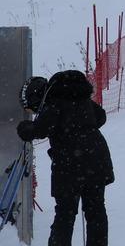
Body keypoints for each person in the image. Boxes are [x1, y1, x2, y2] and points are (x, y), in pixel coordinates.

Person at [17, 71, 114, 246]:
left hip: (70, 165)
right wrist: (82, 127)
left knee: (65, 213)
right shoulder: (81, 100)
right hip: (97, 159)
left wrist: (24, 127)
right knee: (96, 210)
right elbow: (101, 116)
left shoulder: (54, 105)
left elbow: (37, 130)